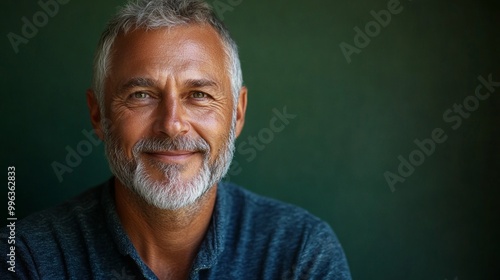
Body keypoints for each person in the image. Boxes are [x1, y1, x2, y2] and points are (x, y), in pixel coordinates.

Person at [1, 0, 352, 279]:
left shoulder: (302, 252)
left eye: (198, 94)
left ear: (238, 114)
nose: (171, 125)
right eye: (141, 95)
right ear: (99, 116)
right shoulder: (26, 258)